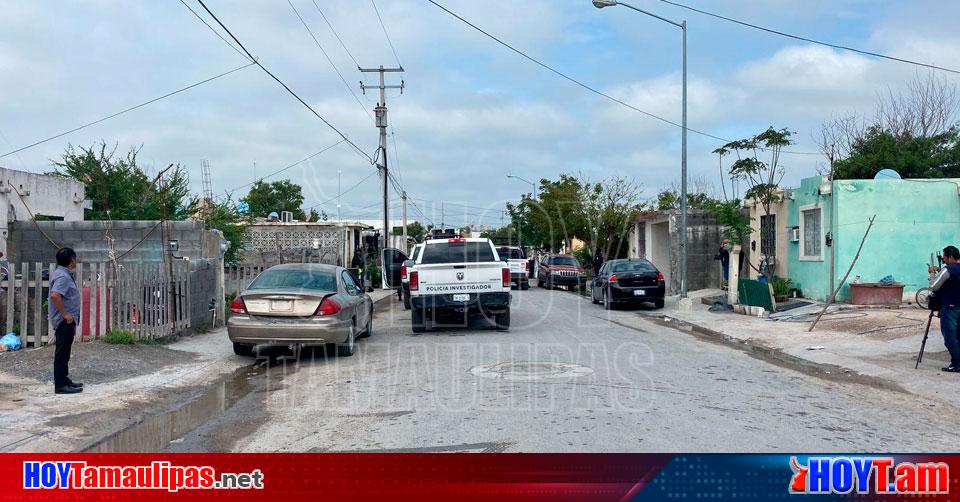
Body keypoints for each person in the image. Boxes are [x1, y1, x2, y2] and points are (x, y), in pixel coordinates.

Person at [49, 247, 82, 394]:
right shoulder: (63, 276)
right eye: (74, 258)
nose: (76, 260)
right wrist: (66, 314)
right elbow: (55, 295)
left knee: (66, 350)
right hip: (64, 321)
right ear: (71, 261)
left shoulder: (63, 273)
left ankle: (64, 378)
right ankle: (60, 385)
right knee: (62, 352)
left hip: (67, 321)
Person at [929, 245, 960, 372]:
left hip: (950, 307)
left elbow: (934, 286)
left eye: (945, 258)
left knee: (949, 336)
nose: (944, 261)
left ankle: (957, 363)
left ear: (950, 257)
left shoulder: (948, 270)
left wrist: (932, 274)